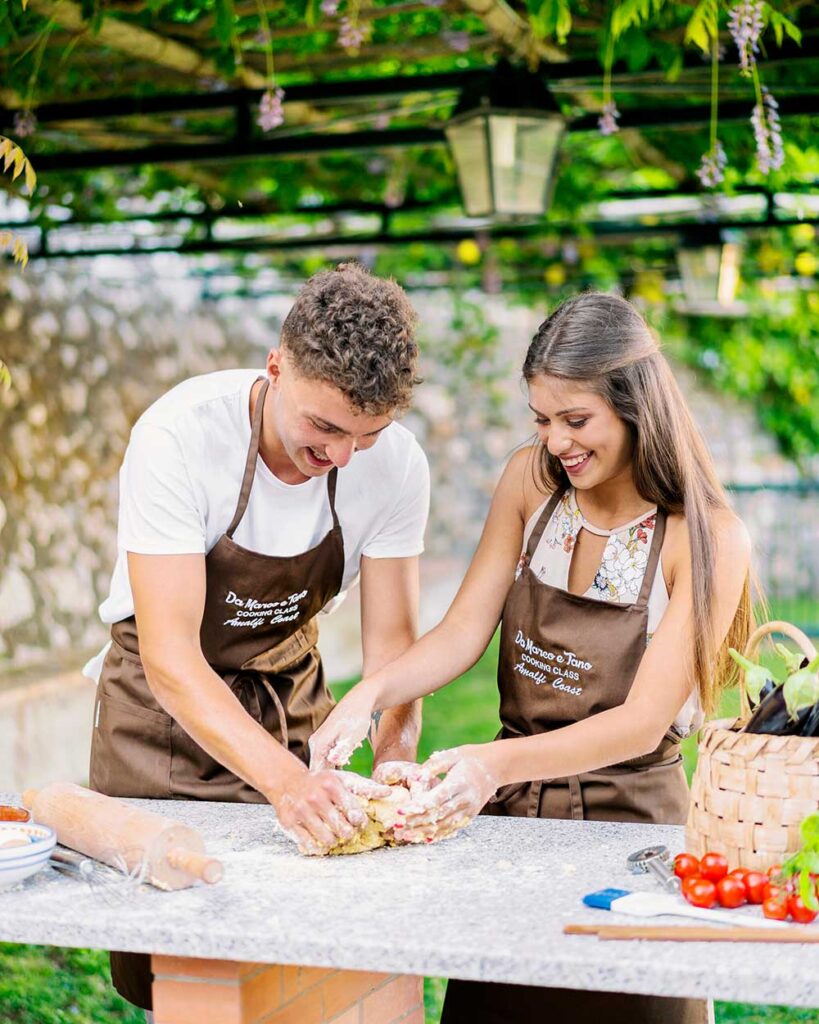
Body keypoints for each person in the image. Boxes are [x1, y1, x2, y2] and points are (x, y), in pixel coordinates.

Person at [310, 291, 752, 1024]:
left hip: (632, 832)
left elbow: (641, 724)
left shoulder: (703, 535)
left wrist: (489, 765)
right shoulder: (530, 484)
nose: (555, 442)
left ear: (636, 406)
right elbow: (460, 633)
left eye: (575, 421)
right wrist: (367, 695)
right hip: (513, 829)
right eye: (541, 420)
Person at [84, 263, 429, 1013]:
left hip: (289, 699)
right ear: (276, 368)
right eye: (324, 427)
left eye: (365, 435)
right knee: (182, 968)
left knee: (308, 951)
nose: (339, 456)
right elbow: (172, 658)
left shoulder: (398, 465)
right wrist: (287, 783)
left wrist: (396, 765)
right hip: (161, 718)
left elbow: (394, 657)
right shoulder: (180, 435)